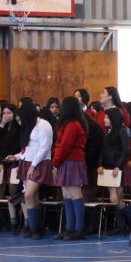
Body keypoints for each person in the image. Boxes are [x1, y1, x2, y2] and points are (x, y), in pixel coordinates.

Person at [14, 102, 54, 239]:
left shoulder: (43, 125)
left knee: (28, 194)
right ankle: (35, 227)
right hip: (27, 162)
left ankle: (35, 227)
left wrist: (33, 165)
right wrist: (16, 156)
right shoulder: (29, 126)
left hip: (40, 163)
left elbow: (45, 147)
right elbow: (28, 148)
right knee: (32, 196)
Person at [52, 97, 89, 240]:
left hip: (72, 161)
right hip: (65, 161)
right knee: (66, 195)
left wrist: (55, 162)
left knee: (74, 194)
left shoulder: (73, 125)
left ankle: (79, 229)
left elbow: (65, 145)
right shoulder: (68, 124)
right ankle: (69, 227)